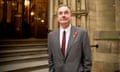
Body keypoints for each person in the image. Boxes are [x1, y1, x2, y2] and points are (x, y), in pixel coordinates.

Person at [48, 4, 92, 72]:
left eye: (66, 12)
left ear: (71, 16)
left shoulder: (82, 33)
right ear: (57, 17)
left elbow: (87, 59)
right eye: (60, 13)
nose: (63, 15)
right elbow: (51, 59)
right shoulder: (51, 36)